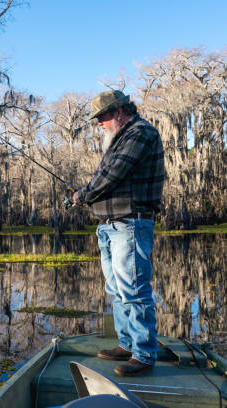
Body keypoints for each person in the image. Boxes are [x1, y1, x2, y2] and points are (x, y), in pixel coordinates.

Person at [73, 90, 165, 377]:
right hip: (110, 226)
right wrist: (86, 195)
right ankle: (127, 344)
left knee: (134, 290)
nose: (98, 123)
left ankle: (144, 354)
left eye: (101, 117)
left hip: (130, 224)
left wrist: (83, 195)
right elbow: (106, 175)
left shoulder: (140, 133)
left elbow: (112, 175)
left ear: (119, 112)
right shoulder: (120, 138)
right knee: (116, 289)